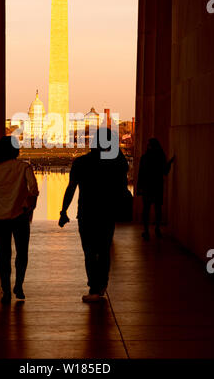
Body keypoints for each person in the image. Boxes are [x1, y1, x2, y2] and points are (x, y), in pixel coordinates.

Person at [58, 128, 129, 303]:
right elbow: (122, 184)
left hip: (86, 212)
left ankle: (93, 286)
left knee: (89, 251)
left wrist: (63, 211)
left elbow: (71, 187)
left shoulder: (81, 163)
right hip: (107, 212)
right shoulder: (115, 163)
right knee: (104, 250)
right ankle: (102, 283)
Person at [0, 136, 39, 304]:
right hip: (20, 216)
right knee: (22, 253)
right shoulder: (24, 168)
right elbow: (34, 190)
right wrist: (29, 207)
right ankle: (19, 286)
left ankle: (6, 291)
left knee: (4, 255)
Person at [137, 138, 175, 241]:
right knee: (158, 208)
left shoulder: (144, 158)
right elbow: (165, 172)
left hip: (147, 186)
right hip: (157, 185)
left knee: (146, 209)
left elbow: (141, 174)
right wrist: (170, 163)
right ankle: (157, 228)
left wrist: (139, 188)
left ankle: (146, 231)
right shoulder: (161, 157)